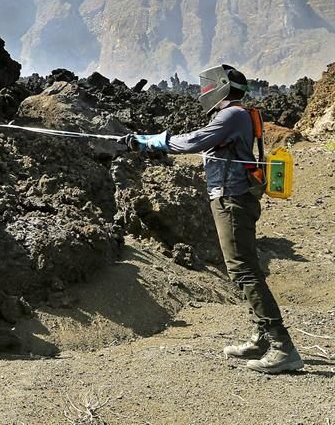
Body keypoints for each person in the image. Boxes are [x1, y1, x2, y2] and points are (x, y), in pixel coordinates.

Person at [118, 64, 303, 374]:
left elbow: (194, 141)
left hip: (232, 199)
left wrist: (147, 141)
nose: (203, 92)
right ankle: (261, 338)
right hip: (231, 197)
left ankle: (283, 346)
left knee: (243, 269)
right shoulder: (235, 114)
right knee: (242, 267)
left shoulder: (232, 114)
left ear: (220, 86)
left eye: (206, 87)